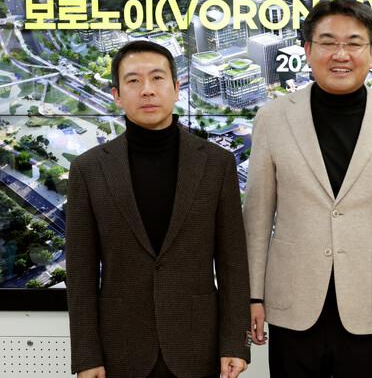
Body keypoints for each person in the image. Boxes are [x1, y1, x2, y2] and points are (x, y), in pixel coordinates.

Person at [244, 0, 372, 378]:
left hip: (370, 304)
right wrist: (252, 295)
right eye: (327, 42)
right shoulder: (273, 118)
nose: (340, 54)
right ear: (308, 50)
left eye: (353, 43)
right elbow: (257, 218)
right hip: (293, 303)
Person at [66, 40, 250, 378]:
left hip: (198, 345)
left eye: (157, 78)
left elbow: (232, 262)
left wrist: (234, 342)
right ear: (117, 95)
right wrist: (86, 354)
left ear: (177, 88)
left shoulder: (216, 164)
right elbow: (80, 273)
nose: (147, 90)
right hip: (121, 348)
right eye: (133, 81)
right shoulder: (88, 170)